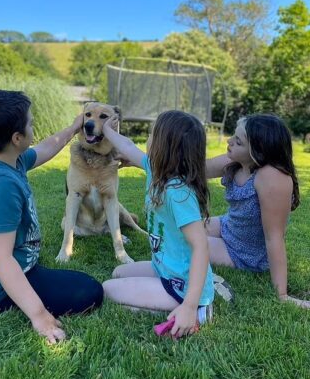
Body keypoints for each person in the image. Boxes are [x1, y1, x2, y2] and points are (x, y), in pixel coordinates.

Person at [0, 89, 104, 344]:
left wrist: (72, 128)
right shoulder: (0, 186)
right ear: (16, 138)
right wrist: (39, 316)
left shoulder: (6, 159)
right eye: (31, 124)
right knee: (90, 291)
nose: (34, 128)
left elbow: (46, 147)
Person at [102, 110, 214, 338]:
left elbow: (201, 247)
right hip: (163, 268)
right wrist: (106, 129)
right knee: (117, 273)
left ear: (165, 146)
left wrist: (190, 305)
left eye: (152, 134)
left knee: (107, 290)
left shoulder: (178, 193)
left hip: (181, 284)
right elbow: (127, 146)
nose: (148, 139)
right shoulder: (154, 169)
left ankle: (197, 311)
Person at [206, 113, 310, 308]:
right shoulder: (237, 162)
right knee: (183, 228)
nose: (229, 141)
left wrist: (282, 295)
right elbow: (198, 169)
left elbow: (274, 237)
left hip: (246, 252)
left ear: (258, 150)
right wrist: (141, 159)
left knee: (185, 241)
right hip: (229, 226)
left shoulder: (272, 178)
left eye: (238, 141)